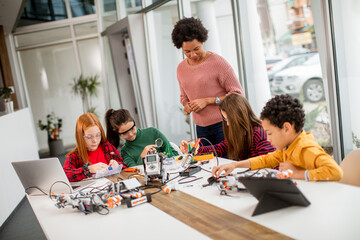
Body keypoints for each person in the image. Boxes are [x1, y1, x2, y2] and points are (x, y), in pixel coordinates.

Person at [212, 94, 343, 181]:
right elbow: (266, 160)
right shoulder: (288, 148)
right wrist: (235, 165)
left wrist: (296, 174)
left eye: (269, 133)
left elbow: (335, 171)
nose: (268, 139)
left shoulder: (305, 148)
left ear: (286, 128)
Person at [171, 17, 244, 147]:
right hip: (201, 127)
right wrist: (187, 105)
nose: (193, 54)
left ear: (202, 41)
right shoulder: (180, 68)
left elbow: (237, 94)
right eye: (187, 51)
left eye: (196, 49)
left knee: (227, 163)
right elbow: (184, 96)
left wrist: (207, 101)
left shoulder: (218, 63)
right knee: (209, 165)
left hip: (224, 124)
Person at [180, 93, 275, 160]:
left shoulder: (260, 133)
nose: (228, 124)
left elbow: (268, 163)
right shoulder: (239, 133)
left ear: (239, 116)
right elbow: (219, 148)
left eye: (229, 119)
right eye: (225, 119)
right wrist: (193, 150)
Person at [63, 113, 127, 182]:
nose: (95, 140)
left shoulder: (107, 147)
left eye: (98, 135)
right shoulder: (75, 156)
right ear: (80, 137)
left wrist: (117, 164)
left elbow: (124, 164)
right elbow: (65, 175)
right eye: (89, 137)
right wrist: (88, 169)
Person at [105, 109, 178, 167]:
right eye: (125, 133)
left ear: (134, 122)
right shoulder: (125, 151)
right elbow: (134, 174)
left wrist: (161, 156)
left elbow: (175, 155)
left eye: (132, 128)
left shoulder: (153, 132)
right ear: (117, 133)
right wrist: (142, 158)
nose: (130, 134)